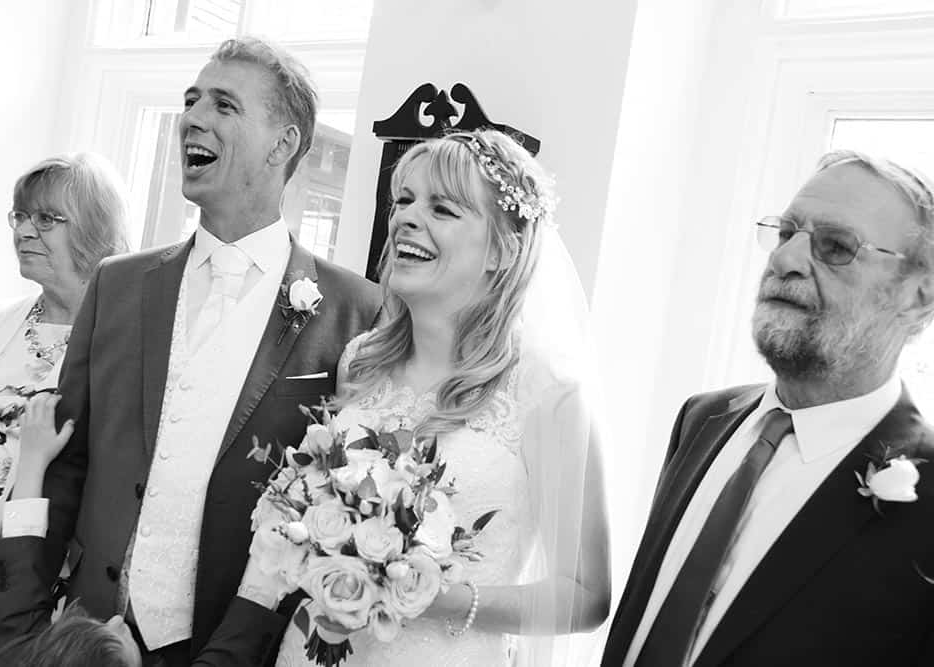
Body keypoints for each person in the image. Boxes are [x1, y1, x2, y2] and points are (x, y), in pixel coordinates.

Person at [0, 37, 382, 667]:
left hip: (234, 647)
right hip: (88, 638)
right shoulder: (117, 284)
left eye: (224, 105)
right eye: (191, 100)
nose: (193, 119)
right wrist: (23, 635)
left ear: (283, 144)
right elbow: (65, 466)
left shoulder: (356, 312)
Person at [273, 129, 611, 666]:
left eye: (442, 208)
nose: (406, 218)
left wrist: (435, 597)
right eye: (404, 200)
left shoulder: (548, 394)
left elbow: (586, 596)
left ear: (502, 249)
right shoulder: (360, 360)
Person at [602, 151, 934, 667]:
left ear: (918, 296)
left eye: (836, 246)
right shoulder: (701, 419)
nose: (784, 261)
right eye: (785, 233)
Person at [0, 153, 130, 665]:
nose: (24, 230)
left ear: (94, 228)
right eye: (19, 215)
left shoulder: (119, 345)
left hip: (19, 587)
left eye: (46, 218)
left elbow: (90, 491)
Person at [0, 393, 292, 667]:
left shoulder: (20, 654)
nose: (118, 621)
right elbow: (238, 646)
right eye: (116, 638)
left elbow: (18, 568)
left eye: (98, 626)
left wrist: (33, 459)